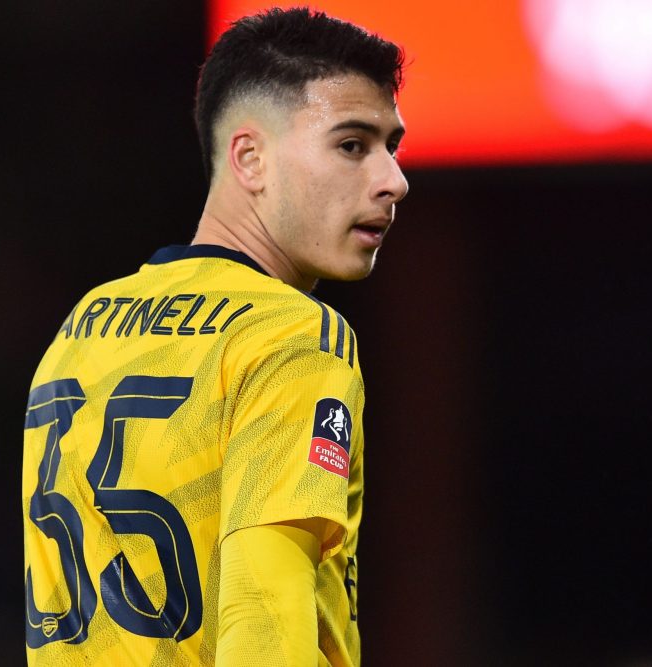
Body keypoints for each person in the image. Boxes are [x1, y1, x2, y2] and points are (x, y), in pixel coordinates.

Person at [22, 7, 408, 665]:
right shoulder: (290, 334)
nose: (393, 180)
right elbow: (265, 621)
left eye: (390, 147)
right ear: (250, 158)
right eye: (352, 144)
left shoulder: (80, 327)